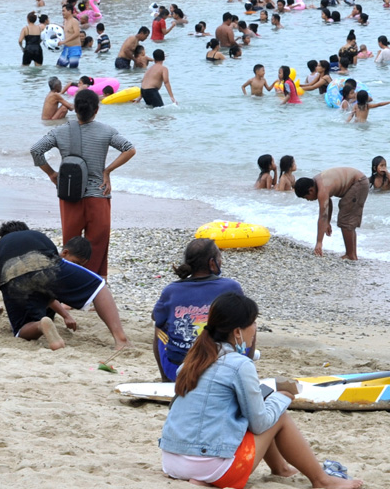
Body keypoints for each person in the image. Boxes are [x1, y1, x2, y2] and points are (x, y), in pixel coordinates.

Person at [159, 293, 362, 489]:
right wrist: (282, 398)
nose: (255, 328)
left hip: (172, 462)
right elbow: (260, 424)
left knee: (259, 412)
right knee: (278, 416)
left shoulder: (191, 362)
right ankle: (322, 481)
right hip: (210, 466)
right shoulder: (239, 365)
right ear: (237, 332)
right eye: (253, 322)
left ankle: (281, 469)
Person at [0, 221, 131, 350]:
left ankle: (40, 326)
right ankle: (121, 340)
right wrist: (66, 315)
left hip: (12, 275)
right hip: (42, 262)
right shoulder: (35, 235)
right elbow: (49, 289)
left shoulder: (0, 247)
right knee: (98, 286)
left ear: (3, 237)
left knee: (21, 329)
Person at [30, 91, 137, 278]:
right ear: (96, 110)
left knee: (70, 243)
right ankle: (95, 282)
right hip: (98, 194)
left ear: (75, 109)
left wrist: (51, 174)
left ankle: (70, 279)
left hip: (70, 195)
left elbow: (36, 150)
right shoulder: (107, 131)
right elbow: (129, 149)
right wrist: (107, 171)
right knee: (98, 243)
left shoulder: (59, 131)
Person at [152, 240, 244, 381]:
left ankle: (166, 379)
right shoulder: (231, 287)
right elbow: (244, 317)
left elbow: (156, 317)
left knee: (159, 327)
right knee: (249, 324)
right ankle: (243, 372)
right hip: (221, 369)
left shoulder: (171, 290)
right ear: (212, 263)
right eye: (220, 258)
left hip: (178, 371)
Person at [294, 167, 368, 260]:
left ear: (311, 190)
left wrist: (319, 242)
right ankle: (352, 254)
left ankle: (351, 255)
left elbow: (322, 216)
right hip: (359, 181)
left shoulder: (322, 189)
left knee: (345, 220)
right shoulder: (315, 182)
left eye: (306, 197)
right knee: (346, 219)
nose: (308, 200)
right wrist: (327, 223)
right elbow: (328, 203)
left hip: (358, 183)